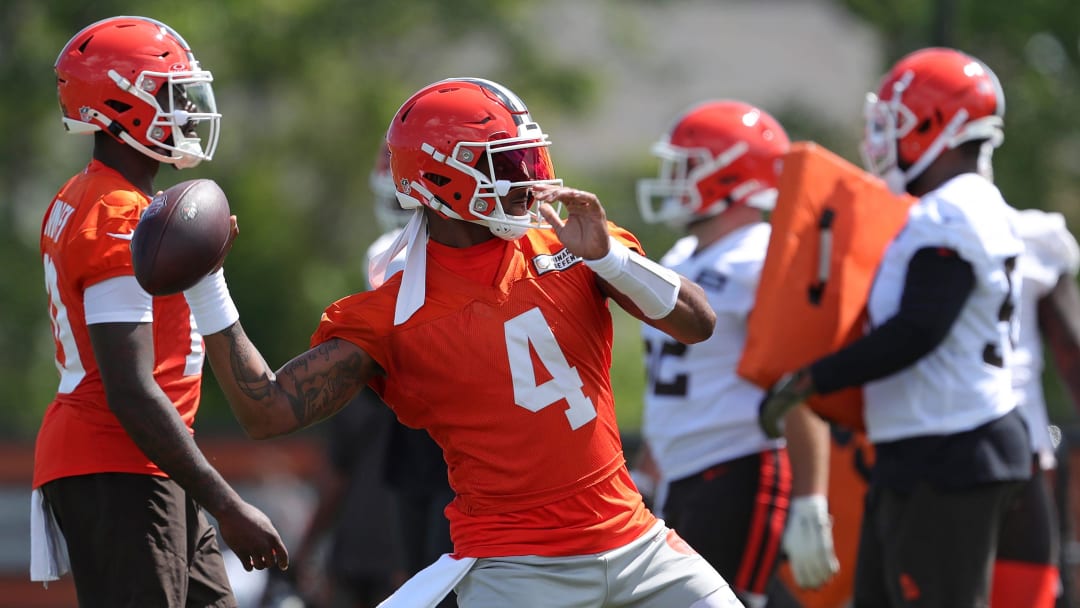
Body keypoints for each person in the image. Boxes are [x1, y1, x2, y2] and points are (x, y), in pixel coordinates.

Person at [186, 76, 744, 607]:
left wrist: (612, 258)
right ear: (443, 179)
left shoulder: (575, 245)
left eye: (531, 157)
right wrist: (208, 287)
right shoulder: (395, 313)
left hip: (638, 540)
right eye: (510, 162)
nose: (532, 177)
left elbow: (699, 324)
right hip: (518, 568)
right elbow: (269, 412)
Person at [758, 47, 1032, 607]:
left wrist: (810, 381)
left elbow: (918, 330)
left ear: (941, 124)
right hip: (928, 445)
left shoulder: (949, 212)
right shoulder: (960, 205)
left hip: (950, 449)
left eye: (896, 122)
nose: (884, 139)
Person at [31, 15, 287, 608]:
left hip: (143, 462)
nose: (188, 113)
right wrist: (228, 503)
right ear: (122, 106)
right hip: (120, 460)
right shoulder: (120, 214)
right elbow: (130, 388)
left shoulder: (90, 198)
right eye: (172, 96)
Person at [635, 100, 838, 608]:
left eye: (686, 166)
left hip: (740, 466)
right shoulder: (681, 257)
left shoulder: (763, 255)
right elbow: (675, 388)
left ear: (730, 175)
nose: (674, 179)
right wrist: (647, 471)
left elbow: (795, 381)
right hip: (681, 473)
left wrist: (813, 497)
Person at [991, 206, 1080, 608]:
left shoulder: (900, 226)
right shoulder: (1024, 234)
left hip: (914, 460)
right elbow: (1072, 352)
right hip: (1018, 455)